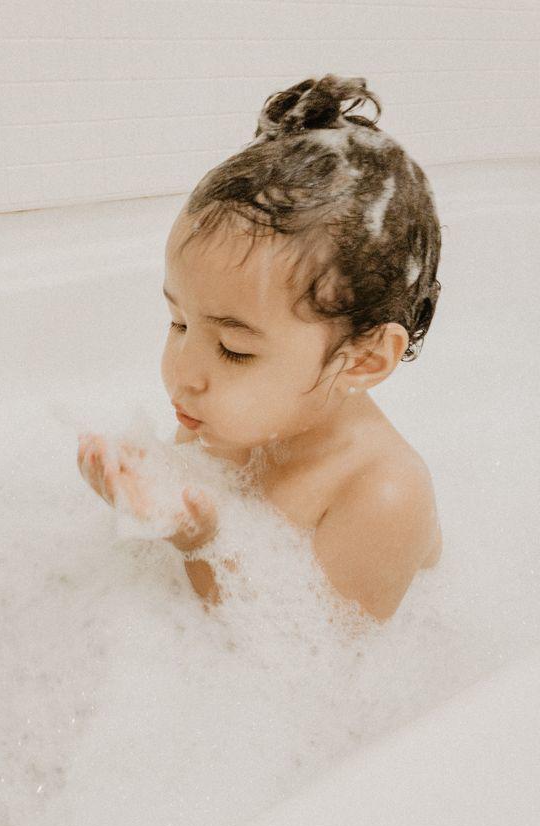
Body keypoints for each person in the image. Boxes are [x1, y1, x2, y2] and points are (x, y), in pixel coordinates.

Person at [78, 74, 443, 623]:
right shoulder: (224, 416)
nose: (184, 373)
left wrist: (194, 539)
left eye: (232, 349)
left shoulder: (383, 494)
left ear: (364, 359)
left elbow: (311, 661)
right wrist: (152, 508)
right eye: (177, 323)